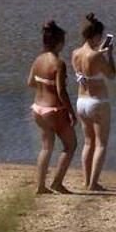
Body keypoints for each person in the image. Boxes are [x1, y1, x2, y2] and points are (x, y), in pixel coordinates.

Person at [27, 20, 75, 194]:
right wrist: (71, 113)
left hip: (37, 109)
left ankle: (40, 186)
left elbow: (30, 82)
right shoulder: (59, 63)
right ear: (59, 43)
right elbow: (62, 93)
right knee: (71, 146)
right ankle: (57, 183)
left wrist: (44, 87)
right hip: (54, 110)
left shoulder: (38, 59)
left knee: (46, 147)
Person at [71, 12, 116, 192]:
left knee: (88, 142)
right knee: (101, 143)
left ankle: (86, 181)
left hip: (81, 101)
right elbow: (112, 75)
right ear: (96, 36)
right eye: (100, 36)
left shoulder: (75, 53)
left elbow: (88, 61)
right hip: (97, 102)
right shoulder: (97, 56)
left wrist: (100, 52)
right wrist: (110, 55)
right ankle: (93, 184)